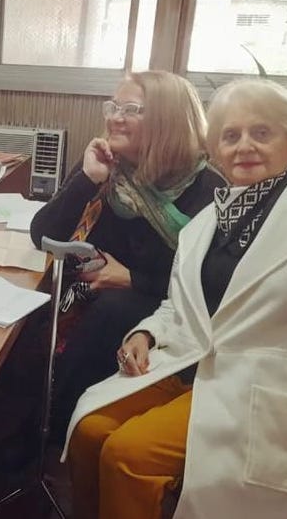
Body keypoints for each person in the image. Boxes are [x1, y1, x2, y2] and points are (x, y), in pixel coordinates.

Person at [46, 78, 287, 519]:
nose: (244, 146)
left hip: (261, 379)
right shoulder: (214, 217)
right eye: (231, 136)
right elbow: (181, 300)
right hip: (192, 362)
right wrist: (146, 334)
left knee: (128, 454)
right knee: (90, 430)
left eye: (261, 133)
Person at [30, 70, 222, 442]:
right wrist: (88, 178)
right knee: (29, 314)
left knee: (113, 309)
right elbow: (43, 235)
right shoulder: (108, 164)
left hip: (158, 307)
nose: (115, 117)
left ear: (167, 121)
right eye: (113, 107)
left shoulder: (207, 190)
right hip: (82, 293)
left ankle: (56, 431)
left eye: (131, 109)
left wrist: (133, 279)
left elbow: (209, 284)